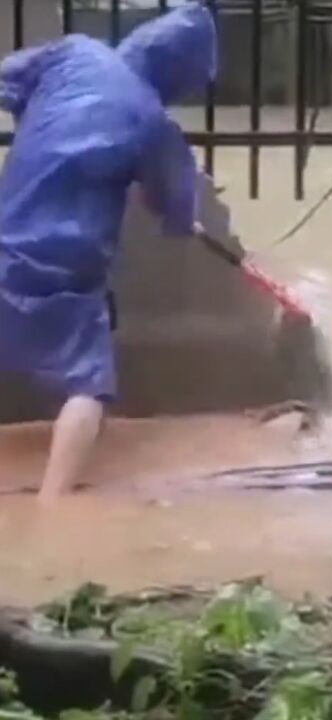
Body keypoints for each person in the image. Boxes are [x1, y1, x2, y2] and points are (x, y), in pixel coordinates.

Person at [0, 4, 217, 505]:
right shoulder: (151, 120)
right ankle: (52, 503)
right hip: (70, 257)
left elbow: (12, 77)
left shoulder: (74, 53)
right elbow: (174, 209)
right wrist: (178, 214)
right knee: (88, 383)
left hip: (11, 230)